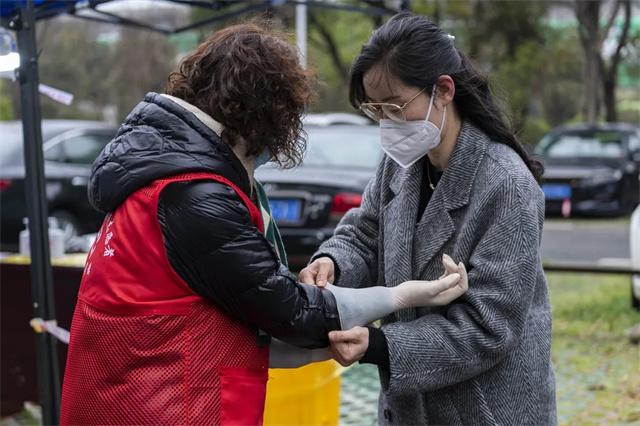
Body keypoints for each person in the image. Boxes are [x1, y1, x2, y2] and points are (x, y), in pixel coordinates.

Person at [59, 22, 468, 425]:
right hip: (161, 405)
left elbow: (242, 320)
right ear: (262, 115)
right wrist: (400, 297)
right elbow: (292, 312)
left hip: (127, 394)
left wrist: (339, 328)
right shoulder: (194, 196)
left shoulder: (156, 177)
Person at [300, 12, 556, 425]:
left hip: (486, 409)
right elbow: (365, 233)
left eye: (395, 106)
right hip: (410, 410)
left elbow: (488, 325)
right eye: (375, 109)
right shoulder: (401, 164)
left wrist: (381, 346)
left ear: (443, 90)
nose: (386, 122)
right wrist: (332, 264)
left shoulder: (506, 184)